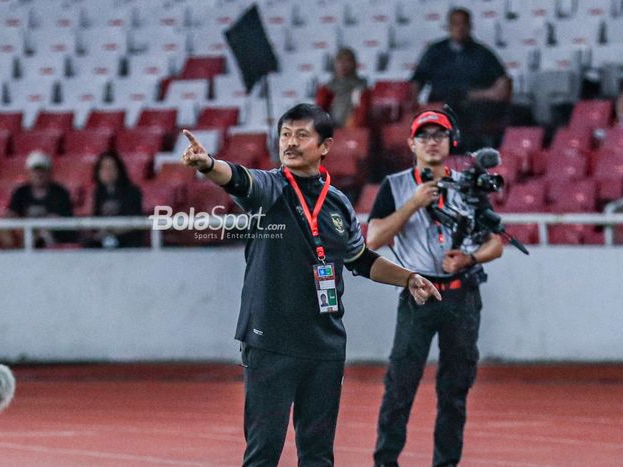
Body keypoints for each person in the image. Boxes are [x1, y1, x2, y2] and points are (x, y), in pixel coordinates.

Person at [179, 103, 441, 466]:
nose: (291, 142)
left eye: (302, 135)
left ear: (325, 146)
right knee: (263, 452)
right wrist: (208, 164)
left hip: (324, 343)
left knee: (318, 455)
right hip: (271, 340)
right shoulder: (270, 188)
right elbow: (238, 178)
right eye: (285, 134)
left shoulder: (337, 202)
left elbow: (359, 259)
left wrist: (408, 277)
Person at [367, 110, 504, 467]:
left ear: (450, 142)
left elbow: (496, 243)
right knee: (400, 385)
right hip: (418, 293)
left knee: (454, 390)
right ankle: (386, 461)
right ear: (411, 143)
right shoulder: (395, 185)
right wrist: (413, 203)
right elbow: (375, 237)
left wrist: (469, 259)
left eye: (438, 135)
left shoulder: (468, 183)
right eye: (424, 135)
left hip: (461, 294)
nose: (431, 141)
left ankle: (446, 463)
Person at [411, 7, 511, 149]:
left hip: (475, 109)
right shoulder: (435, 51)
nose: (460, 28)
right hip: (441, 105)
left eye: (463, 24)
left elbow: (503, 83)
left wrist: (486, 94)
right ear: (449, 26)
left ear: (470, 26)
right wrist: (413, 103)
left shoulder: (483, 53)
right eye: (455, 24)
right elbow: (417, 80)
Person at [0, 150, 74, 248]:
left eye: (42, 171)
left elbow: (62, 220)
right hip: (23, 234)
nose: (39, 174)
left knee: (43, 234)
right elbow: (12, 214)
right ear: (28, 172)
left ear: (50, 172)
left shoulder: (60, 192)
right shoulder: (21, 192)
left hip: (51, 235)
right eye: (35, 171)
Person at [84, 150, 144, 248]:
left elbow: (134, 221)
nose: (107, 172)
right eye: (103, 168)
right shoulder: (98, 193)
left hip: (126, 238)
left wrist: (111, 231)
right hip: (104, 237)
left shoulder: (132, 192)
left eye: (111, 167)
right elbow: (96, 219)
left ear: (119, 170)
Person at [316, 47, 370, 128]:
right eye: (339, 60)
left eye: (347, 60)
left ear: (354, 64)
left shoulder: (361, 88)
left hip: (352, 130)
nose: (343, 64)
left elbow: (362, 114)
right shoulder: (327, 89)